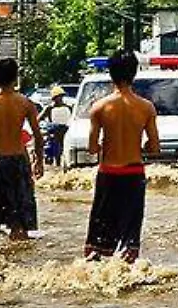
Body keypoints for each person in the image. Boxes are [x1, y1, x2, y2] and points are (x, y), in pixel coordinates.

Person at [85, 49, 160, 262]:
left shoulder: (99, 107)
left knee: (98, 240)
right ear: (134, 73)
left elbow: (92, 149)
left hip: (108, 173)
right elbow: (154, 147)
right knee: (129, 236)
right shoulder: (146, 108)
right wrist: (140, 147)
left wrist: (106, 145)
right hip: (134, 173)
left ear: (111, 74)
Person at [0, 58, 44, 240]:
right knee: (20, 222)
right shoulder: (25, 103)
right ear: (16, 78)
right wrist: (40, 162)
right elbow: (38, 136)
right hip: (18, 162)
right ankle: (20, 263)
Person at [42, 89, 74, 167]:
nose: (59, 99)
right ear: (54, 98)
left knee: (66, 148)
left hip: (66, 131)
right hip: (54, 132)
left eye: (60, 97)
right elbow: (39, 118)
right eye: (57, 97)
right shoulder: (49, 108)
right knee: (55, 149)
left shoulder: (68, 107)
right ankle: (56, 164)